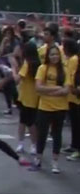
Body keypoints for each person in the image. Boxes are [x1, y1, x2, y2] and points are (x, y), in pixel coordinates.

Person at [30, 44, 70, 173]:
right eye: (52, 54)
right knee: (42, 134)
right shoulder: (42, 68)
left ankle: (55, 162)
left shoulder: (65, 70)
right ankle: (38, 159)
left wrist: (48, 92)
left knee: (57, 134)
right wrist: (56, 89)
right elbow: (38, 88)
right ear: (48, 56)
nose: (55, 57)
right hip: (44, 107)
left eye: (57, 54)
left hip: (61, 107)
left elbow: (66, 90)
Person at [14, 41, 40, 155]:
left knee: (24, 122)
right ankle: (33, 145)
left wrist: (13, 68)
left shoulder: (27, 64)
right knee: (31, 122)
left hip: (25, 97)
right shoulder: (39, 63)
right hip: (35, 97)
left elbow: (17, 79)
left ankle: (22, 143)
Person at [64, 38, 80, 161]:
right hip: (71, 96)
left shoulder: (75, 59)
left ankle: (77, 149)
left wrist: (71, 88)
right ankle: (74, 145)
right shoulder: (72, 59)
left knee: (77, 124)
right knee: (74, 124)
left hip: (75, 96)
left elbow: (72, 76)